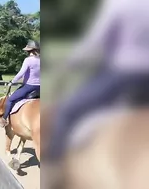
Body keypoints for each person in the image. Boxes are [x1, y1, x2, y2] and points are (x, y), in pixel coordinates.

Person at [46, 0, 149, 162]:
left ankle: (53, 167)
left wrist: (68, 65)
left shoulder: (118, 4)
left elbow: (95, 42)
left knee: (67, 111)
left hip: (124, 75)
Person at [0, 40, 41, 127]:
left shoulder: (28, 60)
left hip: (29, 86)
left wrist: (12, 82)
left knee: (10, 100)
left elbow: (21, 73)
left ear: (28, 51)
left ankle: (4, 119)